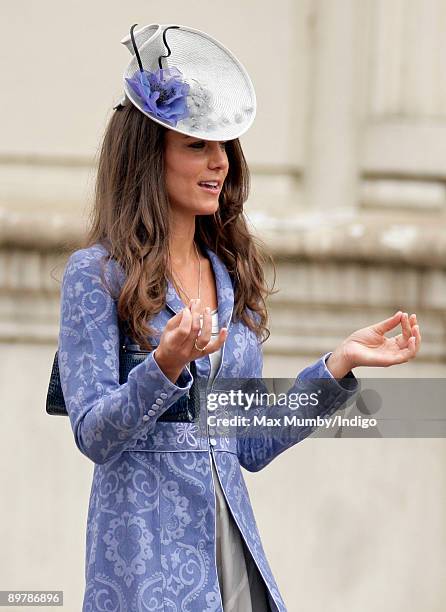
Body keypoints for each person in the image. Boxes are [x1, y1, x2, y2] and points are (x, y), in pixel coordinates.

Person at [57, 23, 422, 612]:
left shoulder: (231, 276)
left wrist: (337, 366)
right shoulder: (97, 274)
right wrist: (166, 364)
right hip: (145, 574)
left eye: (223, 146)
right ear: (151, 155)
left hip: (234, 570)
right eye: (196, 145)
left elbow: (247, 442)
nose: (219, 163)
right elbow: (93, 434)